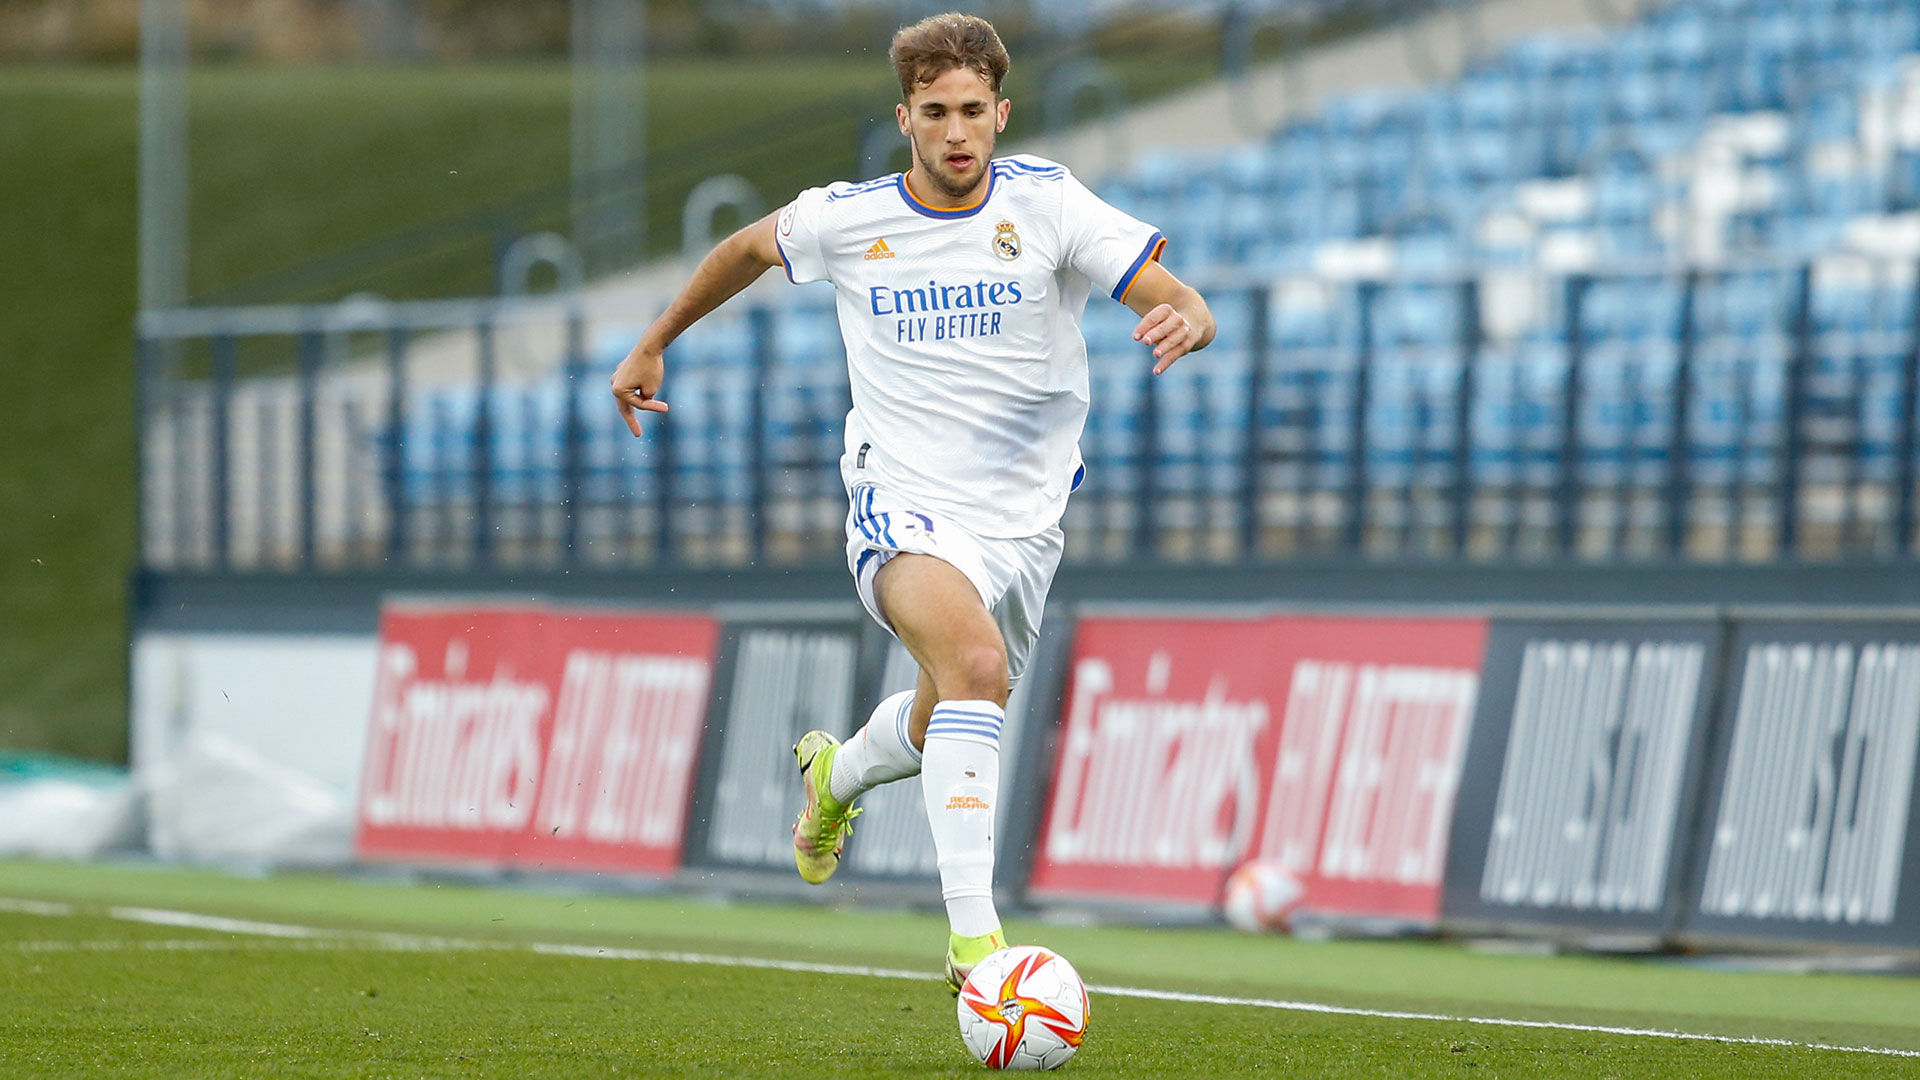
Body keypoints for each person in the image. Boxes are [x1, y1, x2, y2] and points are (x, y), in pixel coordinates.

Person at [610, 11, 1215, 992]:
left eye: (974, 109)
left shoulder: (1048, 204)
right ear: (906, 118)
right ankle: (978, 945)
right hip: (901, 499)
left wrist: (1188, 315)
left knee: (956, 706)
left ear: (1002, 111)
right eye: (936, 111)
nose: (958, 131)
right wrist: (654, 340)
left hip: (1023, 521)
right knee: (974, 667)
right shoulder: (850, 219)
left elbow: (1166, 290)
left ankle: (836, 777)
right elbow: (747, 249)